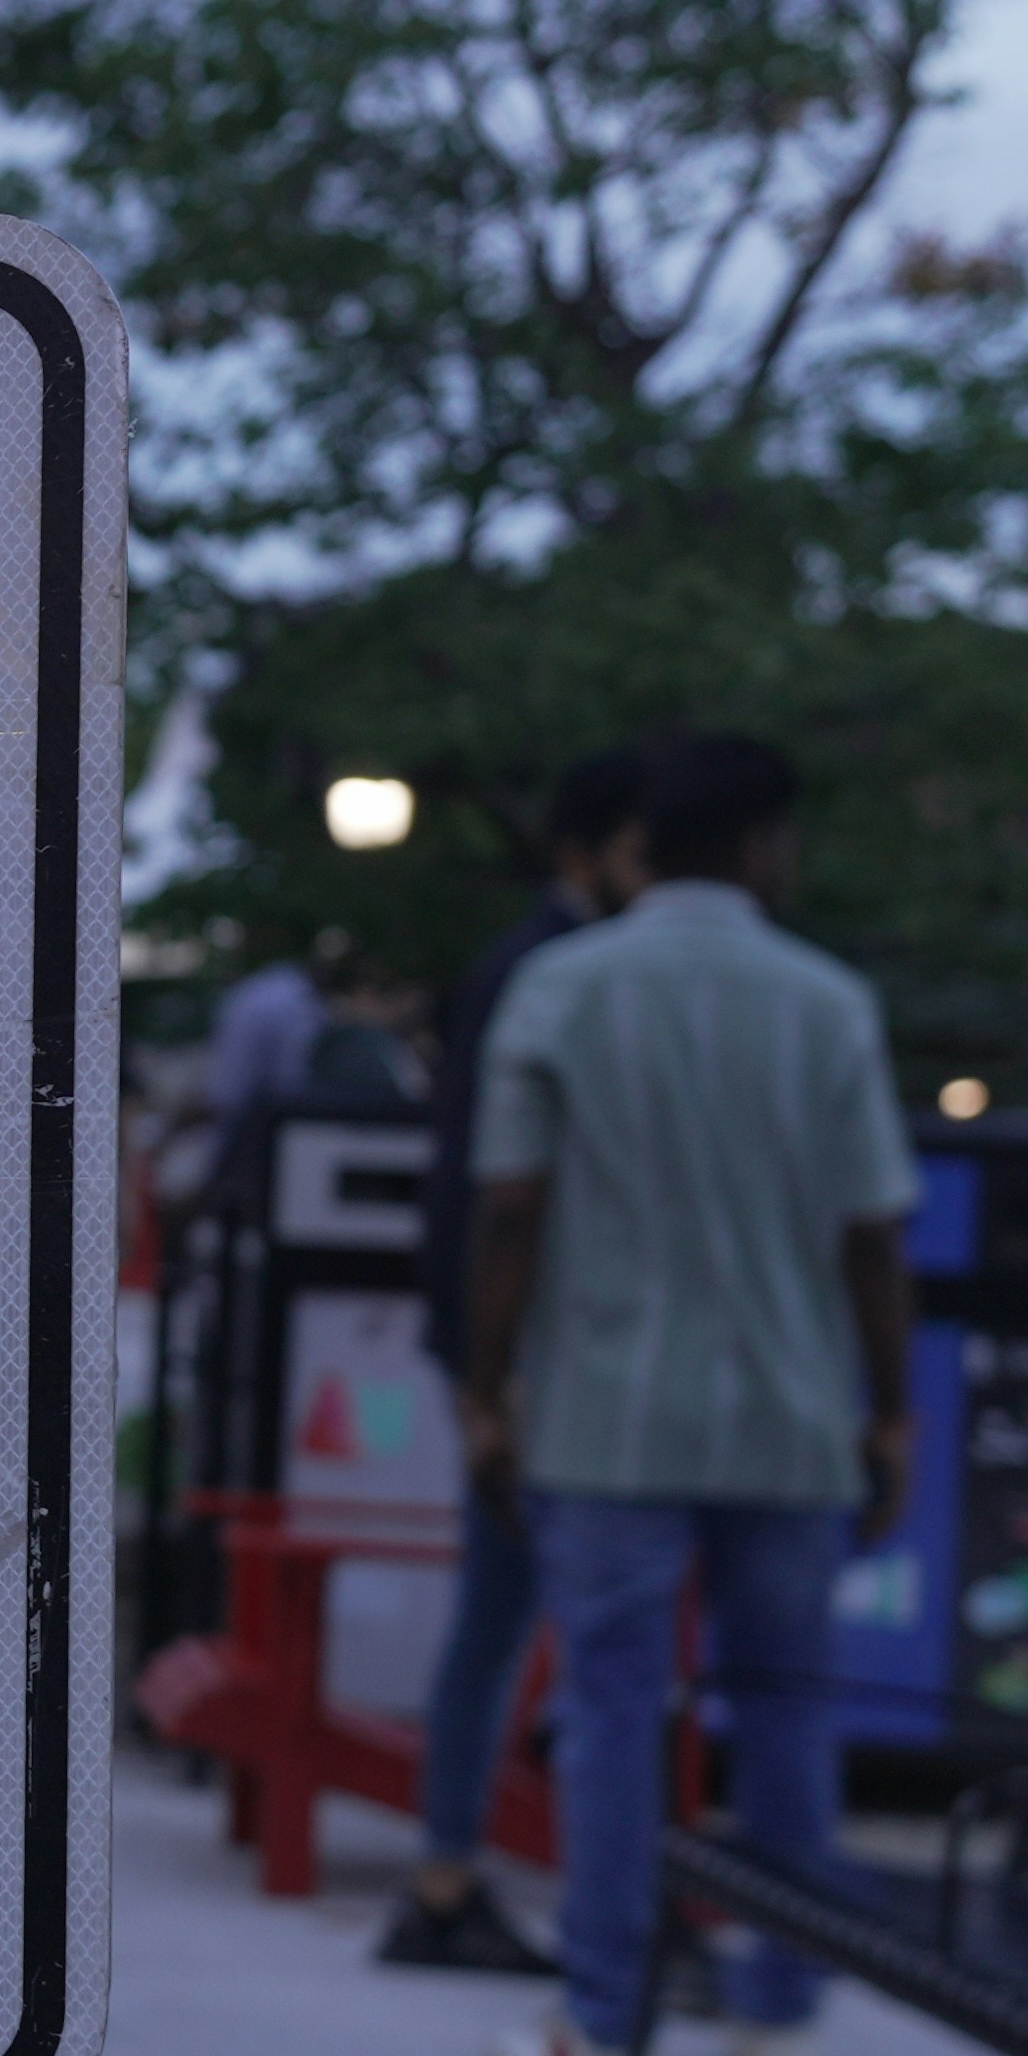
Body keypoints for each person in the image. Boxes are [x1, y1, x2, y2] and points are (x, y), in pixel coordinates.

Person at [455, 734, 913, 2056]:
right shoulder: (828, 1004)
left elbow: (508, 1212)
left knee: (609, 1715)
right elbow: (874, 1234)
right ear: (766, 845)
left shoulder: (563, 989)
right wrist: (888, 1415)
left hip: (607, 1416)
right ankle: (779, 2011)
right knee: (784, 1708)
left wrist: (486, 1394)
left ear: (642, 845)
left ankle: (602, 2021)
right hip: (788, 1417)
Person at [384, 746, 640, 1977]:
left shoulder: (526, 962)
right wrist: (489, 1378)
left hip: (508, 1334)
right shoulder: (555, 970)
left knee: (509, 1615)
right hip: (530, 1341)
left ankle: (450, 1872)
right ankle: (454, 1875)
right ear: (590, 854)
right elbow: (495, 1191)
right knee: (518, 1618)